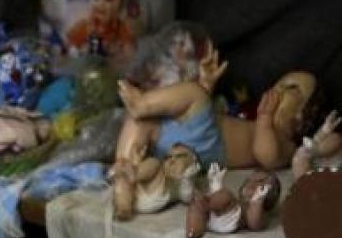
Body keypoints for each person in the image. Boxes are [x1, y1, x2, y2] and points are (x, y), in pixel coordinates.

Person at [113, 47, 327, 170]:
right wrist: (207, 85)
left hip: (210, 146)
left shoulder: (287, 144)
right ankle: (123, 168)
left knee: (195, 93)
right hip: (192, 133)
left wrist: (264, 119)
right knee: (140, 122)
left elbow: (267, 157)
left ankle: (143, 103)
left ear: (301, 117)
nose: (279, 88)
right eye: (280, 82)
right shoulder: (252, 118)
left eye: (292, 88)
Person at [65, 0, 134, 58]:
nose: (100, 4)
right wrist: (78, 52)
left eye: (108, 0)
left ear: (120, 5)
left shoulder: (121, 28)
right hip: (88, 62)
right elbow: (68, 45)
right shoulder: (83, 26)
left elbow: (129, 52)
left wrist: (121, 53)